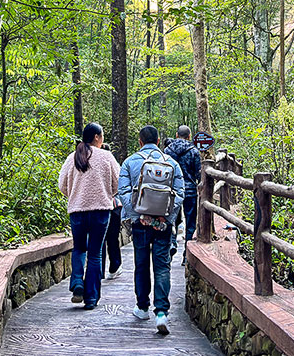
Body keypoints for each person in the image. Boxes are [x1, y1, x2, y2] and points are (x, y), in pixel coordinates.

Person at [118, 125, 184, 334]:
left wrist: (138, 214)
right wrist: (166, 215)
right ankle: (162, 312)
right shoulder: (171, 163)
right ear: (158, 141)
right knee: (162, 266)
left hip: (140, 223)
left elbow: (123, 192)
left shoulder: (129, 162)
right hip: (163, 223)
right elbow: (180, 193)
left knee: (141, 263)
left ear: (140, 141)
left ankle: (142, 307)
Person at [58, 123, 120, 310]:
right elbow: (118, 183)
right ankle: (91, 298)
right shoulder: (106, 157)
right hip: (100, 211)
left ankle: (77, 282)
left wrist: (75, 195)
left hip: (77, 211)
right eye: (102, 136)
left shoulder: (72, 157)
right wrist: (107, 194)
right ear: (96, 137)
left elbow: (62, 185)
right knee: (95, 254)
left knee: (79, 248)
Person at [163, 125, 201, 264]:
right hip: (189, 191)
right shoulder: (194, 151)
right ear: (189, 136)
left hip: (171, 191)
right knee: (190, 223)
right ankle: (187, 255)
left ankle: (171, 244)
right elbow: (198, 174)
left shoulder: (167, 151)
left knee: (169, 219)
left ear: (176, 135)